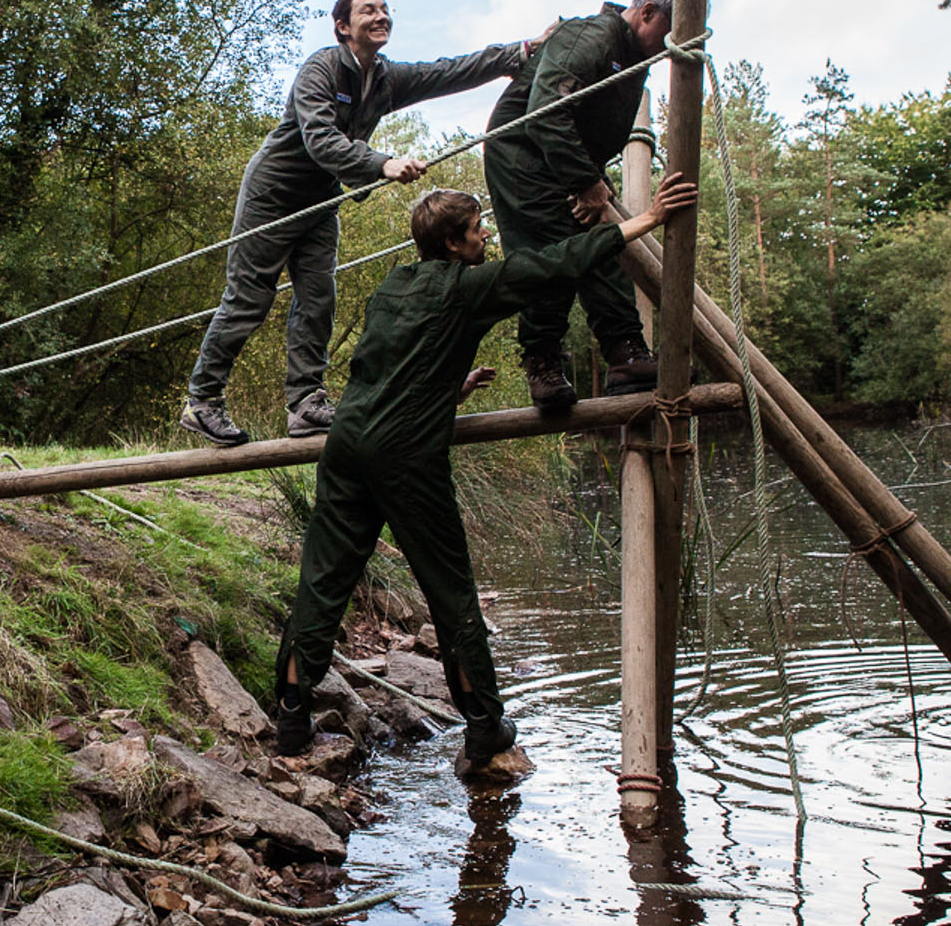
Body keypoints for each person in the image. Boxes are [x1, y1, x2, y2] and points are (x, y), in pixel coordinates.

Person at [272, 174, 700, 778]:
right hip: (405, 458)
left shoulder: (393, 286)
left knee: (323, 581)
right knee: (450, 594)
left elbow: (386, 363)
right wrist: (647, 219)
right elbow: (557, 263)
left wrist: (453, 383)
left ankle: (291, 718)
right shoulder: (469, 289)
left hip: (347, 444)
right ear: (452, 243)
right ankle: (483, 728)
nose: (485, 236)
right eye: (477, 230)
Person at [181, 0, 546, 448]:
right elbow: (319, 138)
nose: (381, 17)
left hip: (320, 203)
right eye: (368, 11)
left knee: (318, 300)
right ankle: (202, 401)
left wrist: (520, 52)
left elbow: (446, 72)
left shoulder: (387, 78)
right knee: (250, 300)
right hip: (272, 197)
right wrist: (382, 163)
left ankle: (306, 403)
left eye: (385, 10)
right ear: (343, 26)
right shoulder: (321, 69)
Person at [480, 0, 675, 409]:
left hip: (569, 161)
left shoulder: (631, 57)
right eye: (671, 31)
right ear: (646, 12)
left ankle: (626, 354)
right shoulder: (592, 36)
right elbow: (545, 110)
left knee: (601, 247)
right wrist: (585, 182)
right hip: (524, 157)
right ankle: (543, 363)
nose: (670, 45)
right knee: (548, 255)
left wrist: (592, 178)